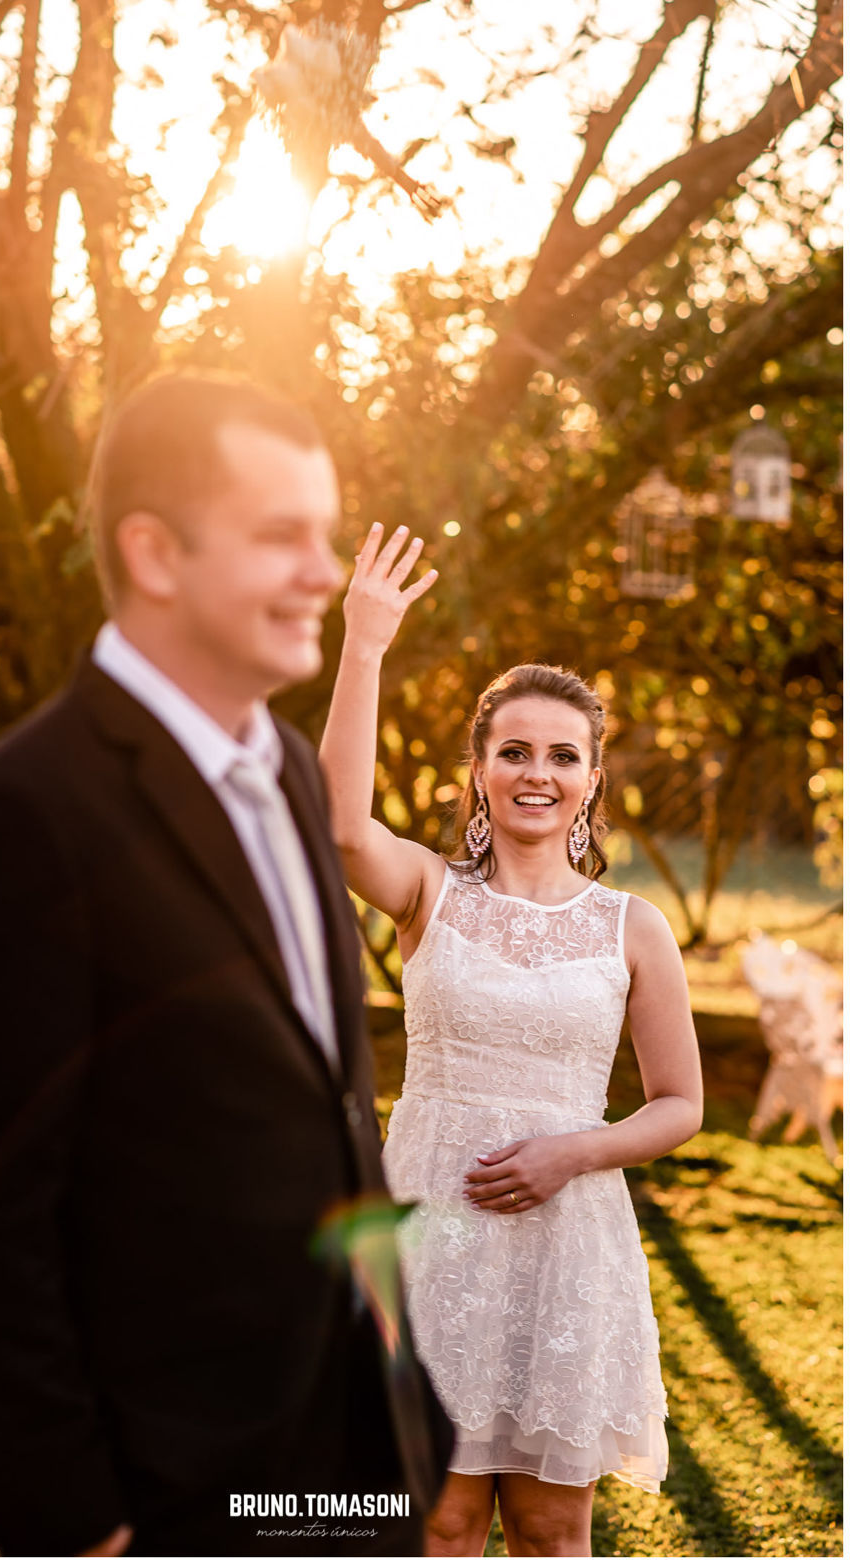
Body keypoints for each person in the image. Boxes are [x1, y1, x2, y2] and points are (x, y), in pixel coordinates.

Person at [0, 377, 453, 1558]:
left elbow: (329, 1112)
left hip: (349, 1471)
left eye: (325, 531)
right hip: (167, 1497)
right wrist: (79, 1519)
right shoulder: (27, 813)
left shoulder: (292, 771)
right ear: (152, 553)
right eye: (281, 535)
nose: (325, 572)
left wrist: (404, 1419)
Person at [319, 522, 703, 1557]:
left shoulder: (632, 927)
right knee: (436, 1521)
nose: (538, 772)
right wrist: (364, 643)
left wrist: (571, 1151)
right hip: (433, 1224)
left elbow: (680, 1103)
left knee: (548, 1527)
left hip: (566, 1239)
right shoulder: (428, 891)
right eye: (514, 751)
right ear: (480, 771)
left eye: (562, 755)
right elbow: (341, 828)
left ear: (591, 780)